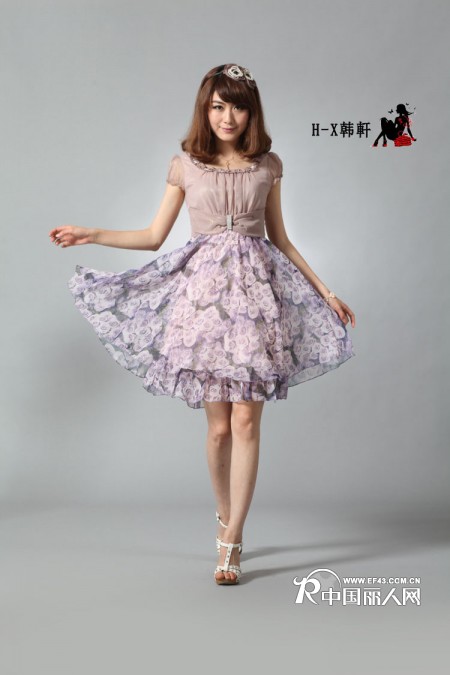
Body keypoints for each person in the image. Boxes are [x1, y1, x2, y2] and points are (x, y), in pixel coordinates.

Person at [49, 63, 356, 586]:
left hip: (255, 304)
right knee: (218, 430)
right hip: (204, 307)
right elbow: (153, 236)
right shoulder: (186, 165)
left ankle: (232, 540)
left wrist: (326, 292)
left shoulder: (268, 166)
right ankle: (223, 516)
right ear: (204, 110)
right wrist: (91, 233)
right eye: (217, 106)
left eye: (237, 106)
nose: (227, 116)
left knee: (246, 422)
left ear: (251, 112)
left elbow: (280, 239)